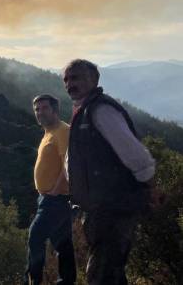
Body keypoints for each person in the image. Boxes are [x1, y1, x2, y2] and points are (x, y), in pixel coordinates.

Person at [63, 59, 157, 284]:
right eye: (66, 80)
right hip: (99, 210)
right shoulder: (84, 111)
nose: (69, 84)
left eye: (75, 77)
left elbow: (137, 156)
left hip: (114, 209)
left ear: (94, 79)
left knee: (101, 276)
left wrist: (151, 187)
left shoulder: (101, 110)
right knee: (110, 274)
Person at [24, 95, 76, 285]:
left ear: (55, 110)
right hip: (50, 198)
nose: (40, 112)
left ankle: (33, 281)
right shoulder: (49, 132)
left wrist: (54, 191)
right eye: (37, 109)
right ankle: (67, 281)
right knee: (63, 244)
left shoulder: (63, 131)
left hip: (55, 199)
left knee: (35, 237)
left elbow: (68, 164)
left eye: (44, 108)